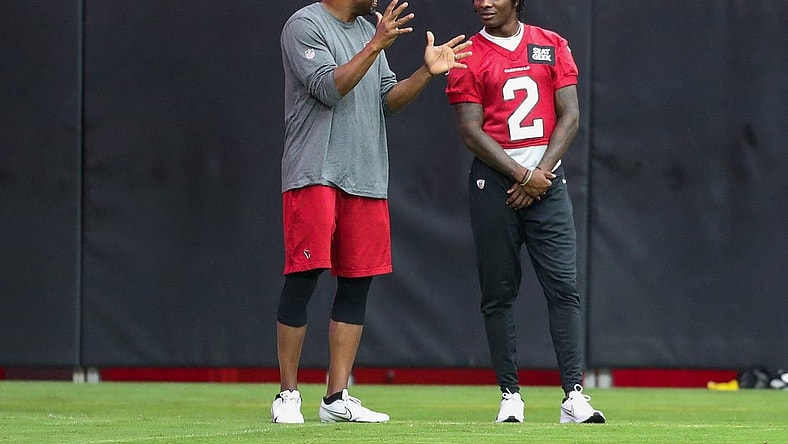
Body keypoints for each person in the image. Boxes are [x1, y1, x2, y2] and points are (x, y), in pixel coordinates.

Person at [273, 0, 471, 424]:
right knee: (304, 277)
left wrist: (425, 73)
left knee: (357, 284)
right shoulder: (304, 24)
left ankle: (336, 398)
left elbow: (387, 100)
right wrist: (377, 44)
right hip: (315, 172)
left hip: (365, 175)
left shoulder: (368, 29)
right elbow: (328, 87)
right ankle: (287, 395)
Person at [445, 0, 605, 424]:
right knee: (498, 292)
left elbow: (570, 116)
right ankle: (510, 395)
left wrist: (540, 174)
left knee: (563, 287)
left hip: (547, 180)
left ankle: (574, 394)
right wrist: (521, 173)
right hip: (496, 182)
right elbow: (469, 129)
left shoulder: (550, 44)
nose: (483, 2)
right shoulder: (467, 54)